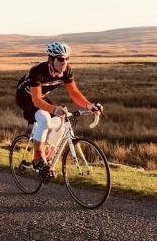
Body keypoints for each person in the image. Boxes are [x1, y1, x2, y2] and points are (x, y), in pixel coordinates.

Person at [15, 42, 103, 173]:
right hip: (26, 97)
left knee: (61, 122)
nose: (64, 62)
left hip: (41, 96)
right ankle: (37, 159)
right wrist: (55, 109)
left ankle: (48, 157)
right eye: (61, 59)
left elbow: (74, 93)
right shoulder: (38, 71)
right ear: (51, 59)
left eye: (67, 59)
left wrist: (90, 106)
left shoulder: (66, 71)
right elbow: (36, 100)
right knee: (44, 118)